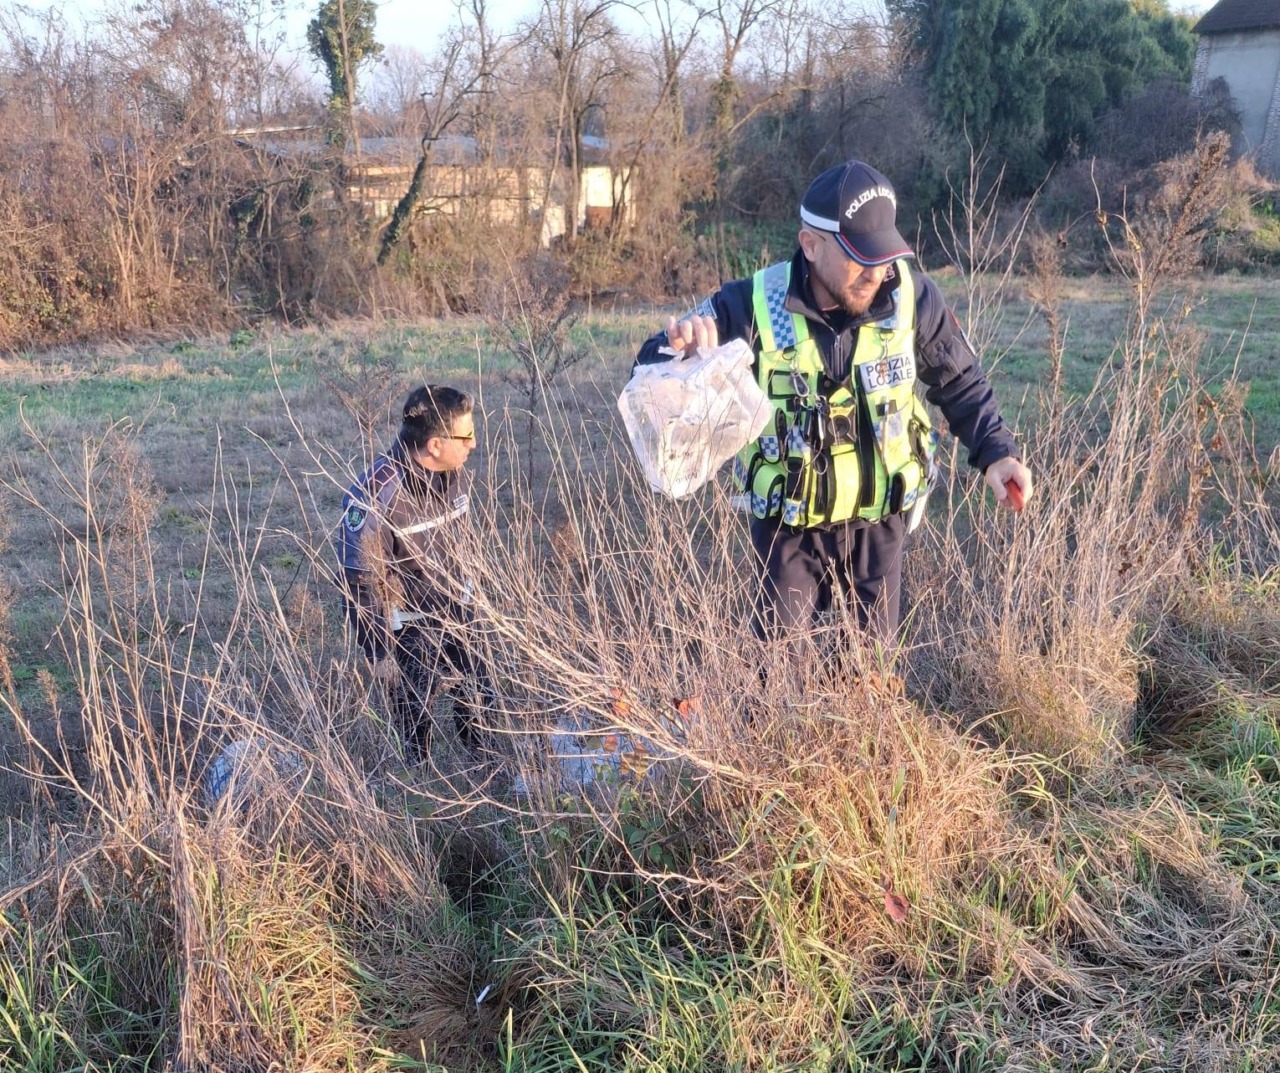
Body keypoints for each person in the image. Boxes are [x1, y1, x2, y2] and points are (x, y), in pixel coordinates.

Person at [634, 160, 1033, 642]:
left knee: (873, 670)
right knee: (780, 670)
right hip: (788, 533)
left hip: (880, 525)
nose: (876, 272)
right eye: (859, 256)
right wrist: (679, 354)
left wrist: (997, 452)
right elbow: (649, 365)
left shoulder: (911, 297)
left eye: (884, 254)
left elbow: (960, 379)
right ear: (810, 245)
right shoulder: (750, 306)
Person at [336, 384, 494, 763]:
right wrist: (379, 653)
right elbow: (359, 581)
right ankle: (418, 777)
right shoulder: (374, 496)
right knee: (414, 721)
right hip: (409, 627)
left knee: (481, 702)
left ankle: (482, 765)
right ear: (435, 445)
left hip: (461, 613)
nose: (474, 444)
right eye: (466, 436)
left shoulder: (455, 473)